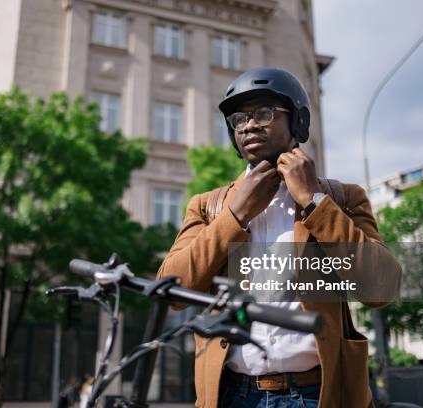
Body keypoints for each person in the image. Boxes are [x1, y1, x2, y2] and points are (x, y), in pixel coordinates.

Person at [157, 67, 401, 407]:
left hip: (317, 393)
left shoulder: (343, 198)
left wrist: (314, 202)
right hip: (231, 395)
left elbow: (382, 287)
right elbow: (171, 291)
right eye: (239, 119)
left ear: (297, 121)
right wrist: (235, 216)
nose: (249, 125)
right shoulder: (208, 206)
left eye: (264, 113)